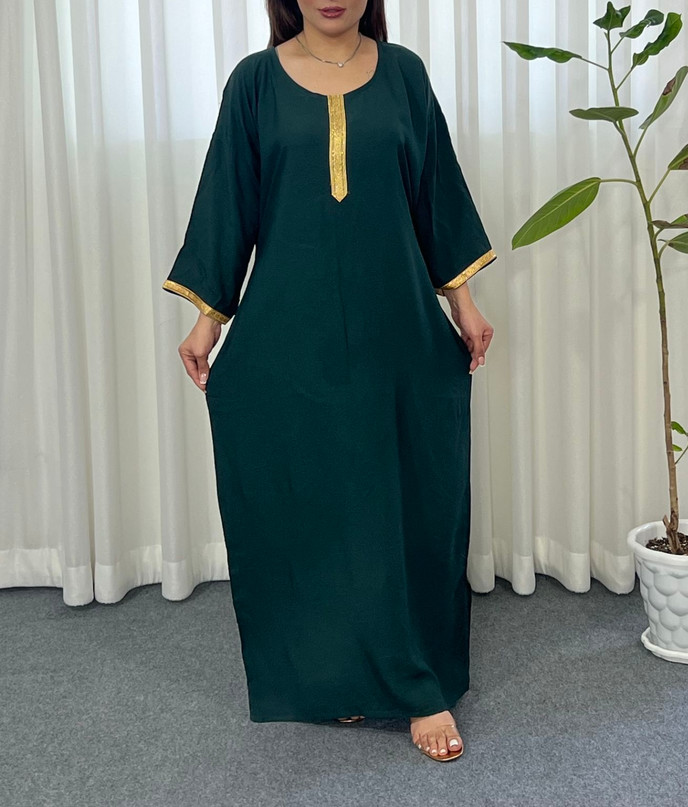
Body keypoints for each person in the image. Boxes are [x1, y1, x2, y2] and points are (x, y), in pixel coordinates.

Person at [162, 0, 496, 763]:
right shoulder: (254, 83)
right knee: (313, 497)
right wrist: (208, 320)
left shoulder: (404, 75)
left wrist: (465, 303)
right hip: (292, 329)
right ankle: (336, 667)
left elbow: (436, 194)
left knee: (401, 495)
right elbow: (229, 203)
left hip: (394, 327)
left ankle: (417, 683)